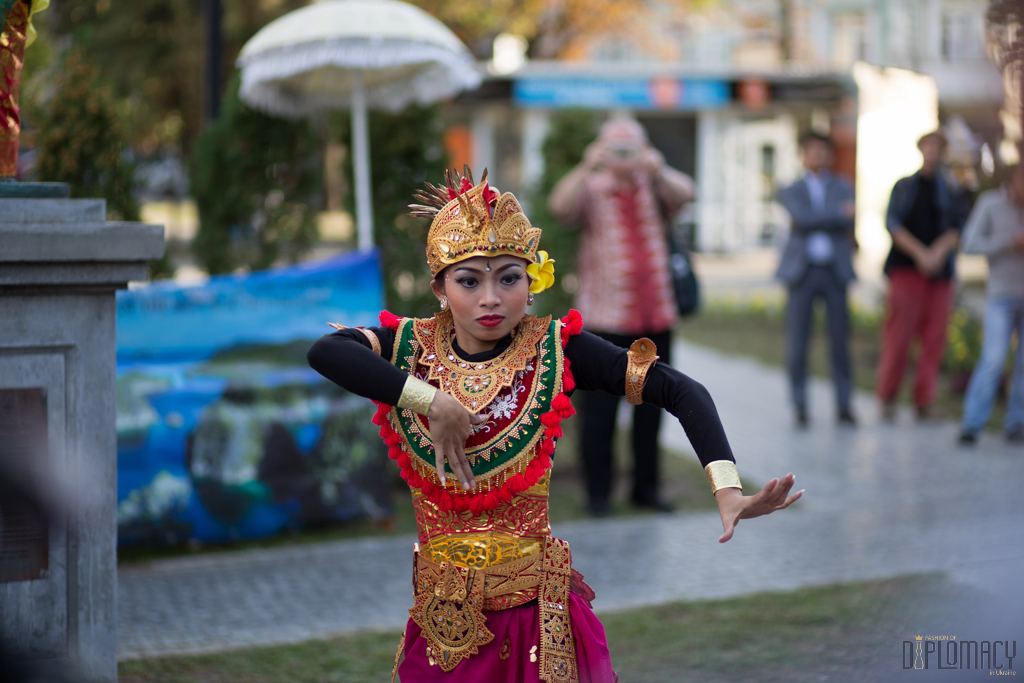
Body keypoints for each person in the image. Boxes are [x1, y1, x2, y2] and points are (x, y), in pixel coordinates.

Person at [307, 167, 802, 682]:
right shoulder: (409, 346)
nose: (491, 298)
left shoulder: (558, 349)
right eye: (469, 280)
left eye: (509, 277)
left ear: (531, 278)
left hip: (536, 626)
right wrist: (431, 400)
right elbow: (327, 351)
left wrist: (727, 490)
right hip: (444, 624)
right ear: (439, 287)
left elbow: (683, 391)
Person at [547, 117, 694, 515]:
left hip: (653, 320)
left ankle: (645, 489)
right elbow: (559, 206)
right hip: (604, 322)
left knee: (650, 409)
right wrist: (586, 165)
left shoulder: (655, 185)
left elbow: (687, 193)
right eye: (618, 151)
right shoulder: (592, 189)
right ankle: (599, 495)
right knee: (600, 415)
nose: (626, 160)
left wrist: (657, 167)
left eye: (632, 150)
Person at [876, 131, 965, 421]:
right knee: (899, 336)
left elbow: (957, 227)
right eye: (928, 146)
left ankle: (924, 400)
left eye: (938, 147)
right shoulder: (904, 186)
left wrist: (937, 253)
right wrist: (919, 254)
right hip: (906, 270)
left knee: (935, 337)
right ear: (920, 149)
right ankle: (888, 397)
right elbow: (893, 224)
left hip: (940, 275)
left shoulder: (951, 188)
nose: (932, 151)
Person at [775, 133, 857, 428]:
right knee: (798, 343)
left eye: (824, 151)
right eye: (813, 151)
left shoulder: (843, 185)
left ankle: (845, 406)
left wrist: (815, 219)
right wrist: (835, 215)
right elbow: (801, 218)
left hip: (835, 272)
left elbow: (830, 220)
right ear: (803, 154)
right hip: (802, 272)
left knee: (840, 343)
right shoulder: (791, 188)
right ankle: (800, 407)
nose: (818, 156)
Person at [957, 165, 1024, 445]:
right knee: (993, 359)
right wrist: (1008, 242)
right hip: (1001, 294)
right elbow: (969, 243)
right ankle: (971, 424)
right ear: (1015, 178)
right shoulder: (991, 203)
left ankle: (1016, 424)